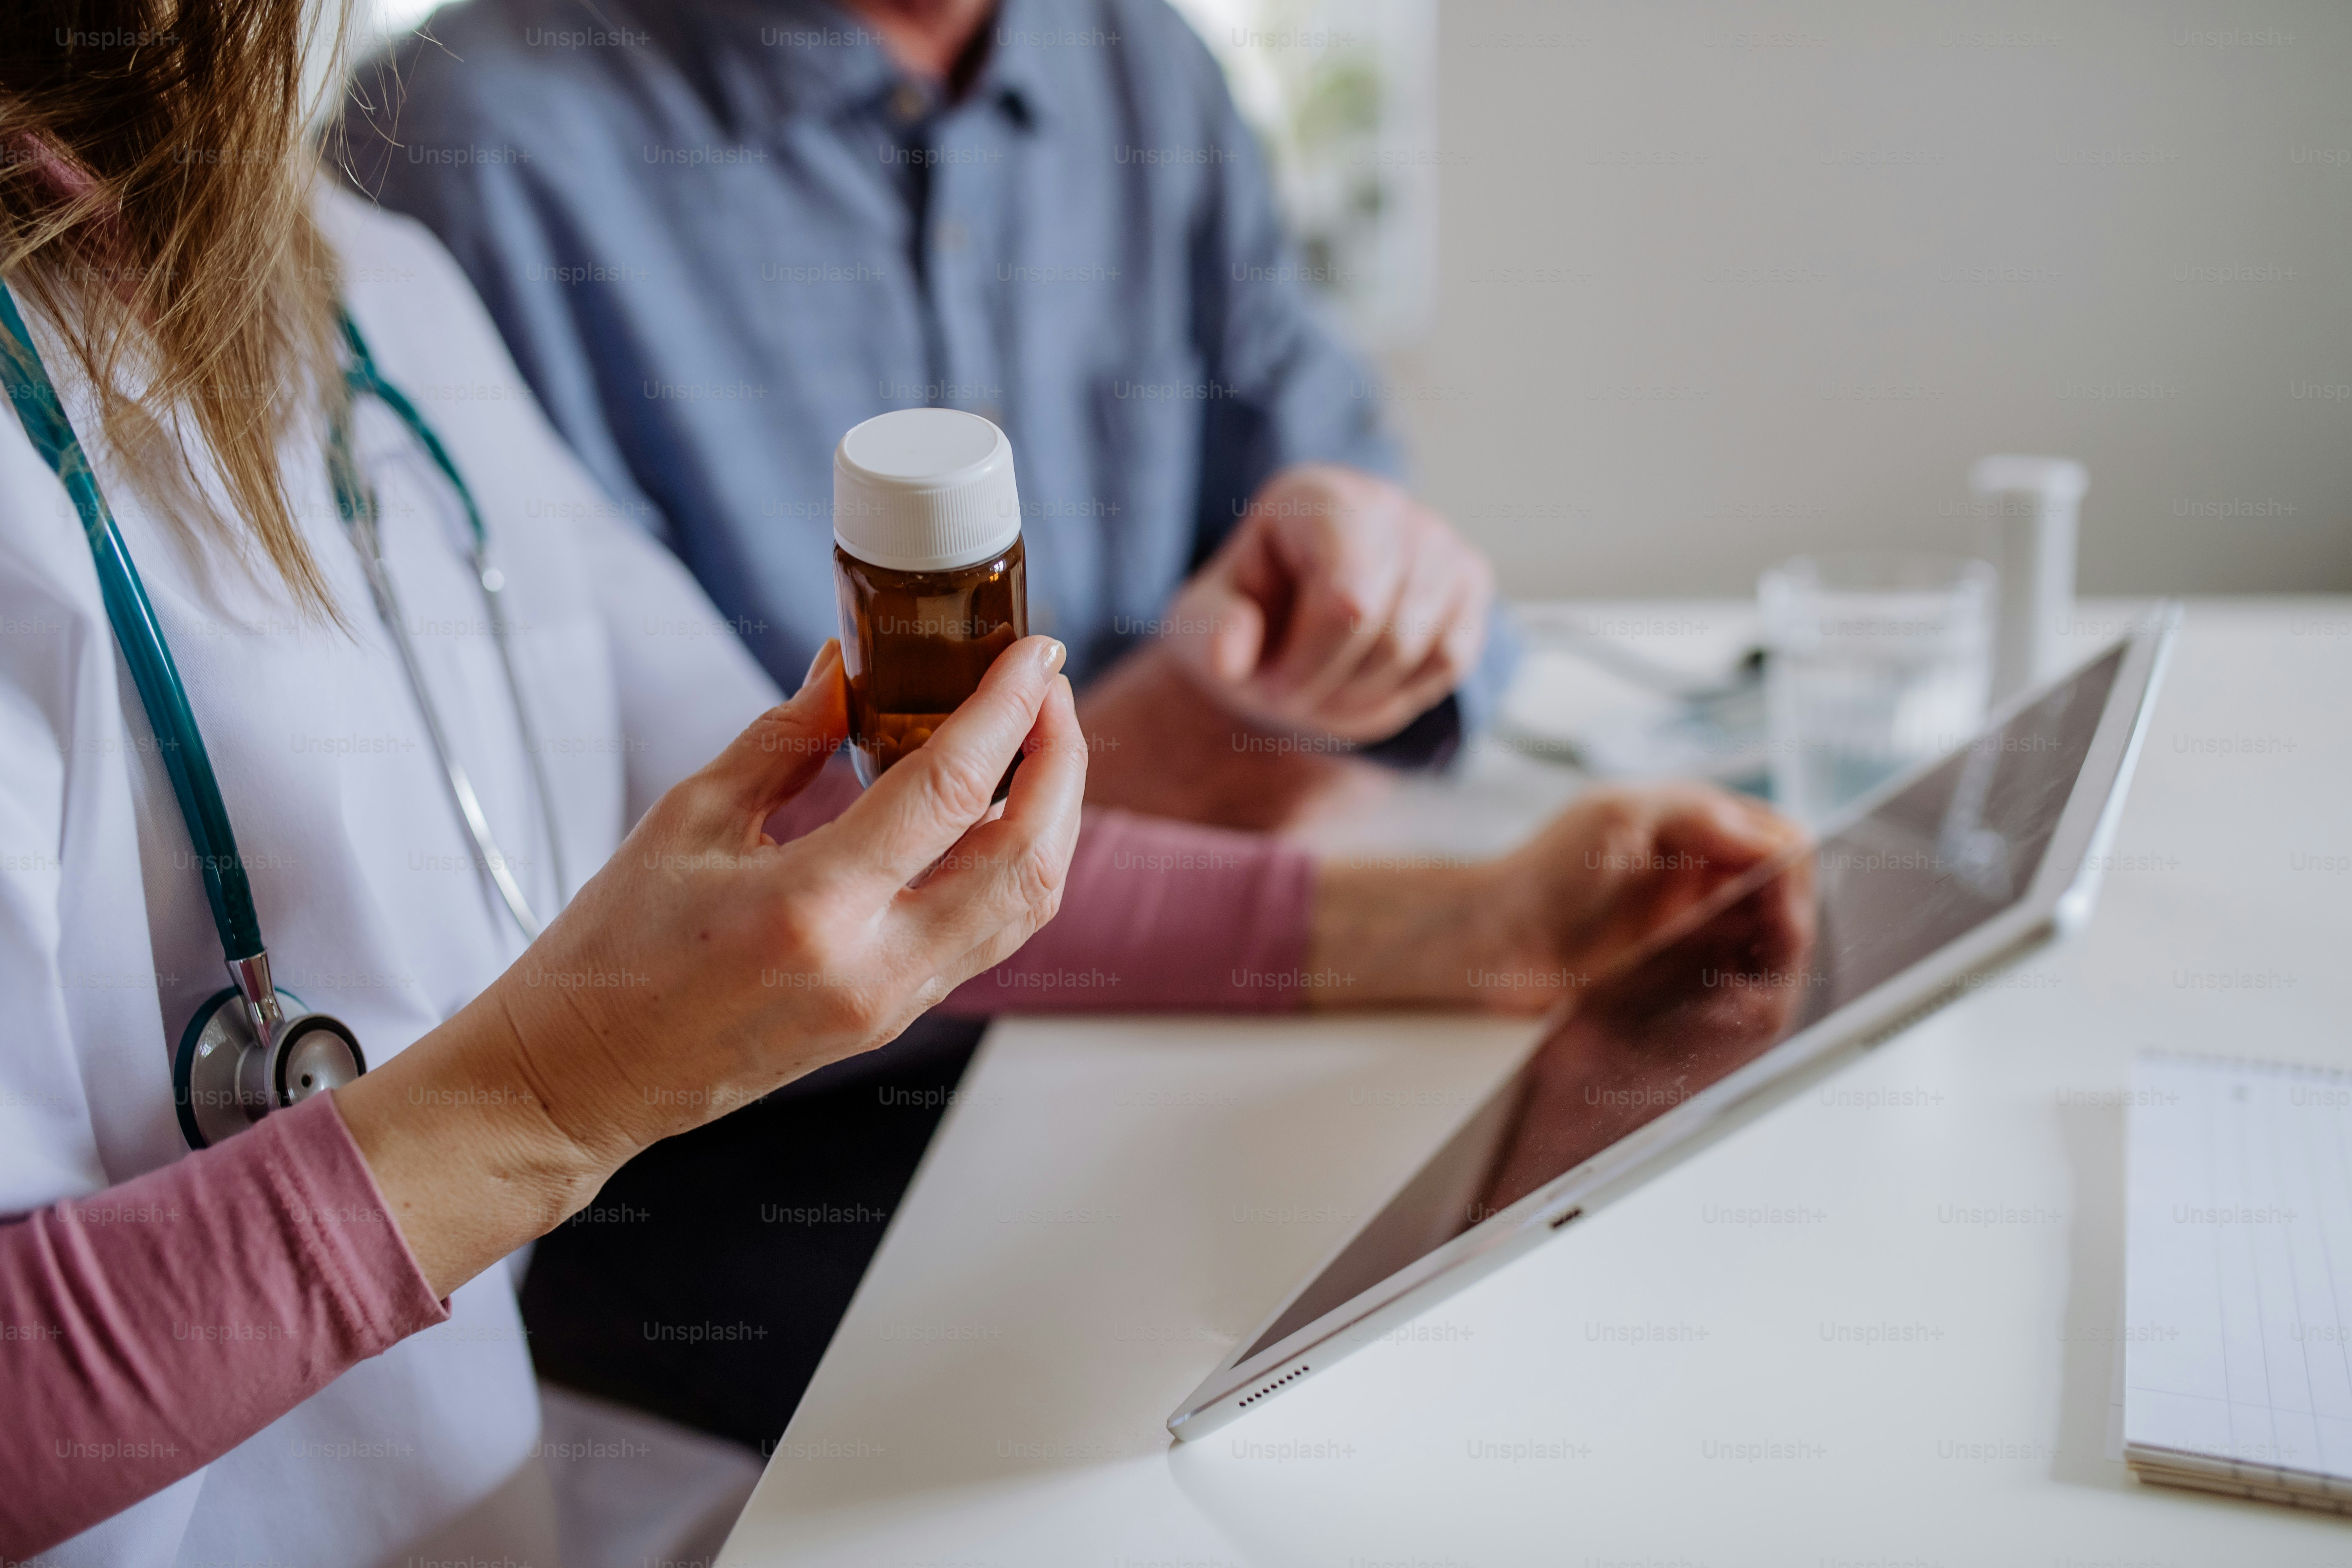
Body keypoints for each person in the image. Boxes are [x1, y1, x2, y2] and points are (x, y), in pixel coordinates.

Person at [0, 3, 1797, 1560]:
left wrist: (1484, 922)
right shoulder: (475, 143)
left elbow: (840, 865)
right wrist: (549, 1101)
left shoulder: (366, 282)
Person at [340, 0, 1513, 833]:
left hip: (1188, 993)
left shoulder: (1145, 62)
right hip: (777, 1117)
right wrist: (1121, 773)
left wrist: (1364, 598)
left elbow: (1426, 607)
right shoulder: (462, 143)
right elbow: (598, 883)